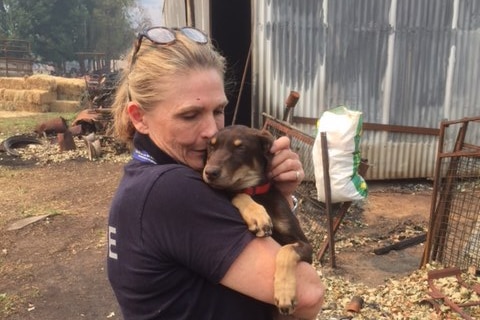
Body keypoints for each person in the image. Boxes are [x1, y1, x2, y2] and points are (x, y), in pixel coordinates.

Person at [107, 26, 324, 320]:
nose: (211, 131)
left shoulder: (141, 178)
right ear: (139, 117)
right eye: (190, 115)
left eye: (218, 110)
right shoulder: (173, 189)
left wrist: (275, 195)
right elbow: (308, 294)